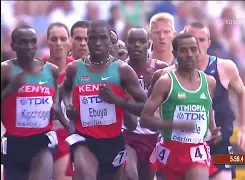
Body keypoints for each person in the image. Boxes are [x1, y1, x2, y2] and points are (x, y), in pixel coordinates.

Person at [151, 22, 245, 180]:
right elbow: (151, 110)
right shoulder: (168, 75)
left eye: (202, 40)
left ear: (209, 43)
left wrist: (244, 129)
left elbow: (243, 94)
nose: (197, 44)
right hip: (180, 147)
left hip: (219, 147)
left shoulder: (224, 67)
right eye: (192, 39)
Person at [60, 20, 147, 180]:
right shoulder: (75, 68)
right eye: (92, 38)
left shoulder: (122, 70)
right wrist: (68, 105)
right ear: (87, 40)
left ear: (110, 40)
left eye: (103, 38)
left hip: (113, 141)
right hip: (84, 139)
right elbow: (63, 90)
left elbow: (145, 106)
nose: (97, 43)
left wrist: (118, 101)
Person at [140, 33, 219, 180]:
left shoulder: (209, 82)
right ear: (174, 53)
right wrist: (175, 125)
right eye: (183, 50)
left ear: (198, 51)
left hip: (196, 150)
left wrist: (213, 129)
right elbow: (144, 119)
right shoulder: (166, 82)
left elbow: (207, 109)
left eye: (193, 49)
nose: (189, 54)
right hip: (169, 150)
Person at [1, 25, 71, 180]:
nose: (29, 46)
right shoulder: (5, 70)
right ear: (13, 45)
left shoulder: (50, 70)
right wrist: (11, 89)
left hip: (41, 141)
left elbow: (56, 106)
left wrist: (70, 127)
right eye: (23, 42)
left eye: (32, 42)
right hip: (14, 143)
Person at [123, 28, 168, 180]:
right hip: (127, 135)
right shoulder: (119, 69)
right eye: (132, 41)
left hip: (153, 137)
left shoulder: (161, 69)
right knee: (130, 176)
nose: (137, 45)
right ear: (126, 44)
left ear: (149, 44)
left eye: (141, 41)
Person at [42, 22, 75, 180]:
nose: (59, 44)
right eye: (54, 39)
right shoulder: (37, 68)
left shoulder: (78, 70)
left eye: (63, 38)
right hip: (40, 139)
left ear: (69, 41)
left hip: (67, 139)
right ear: (47, 41)